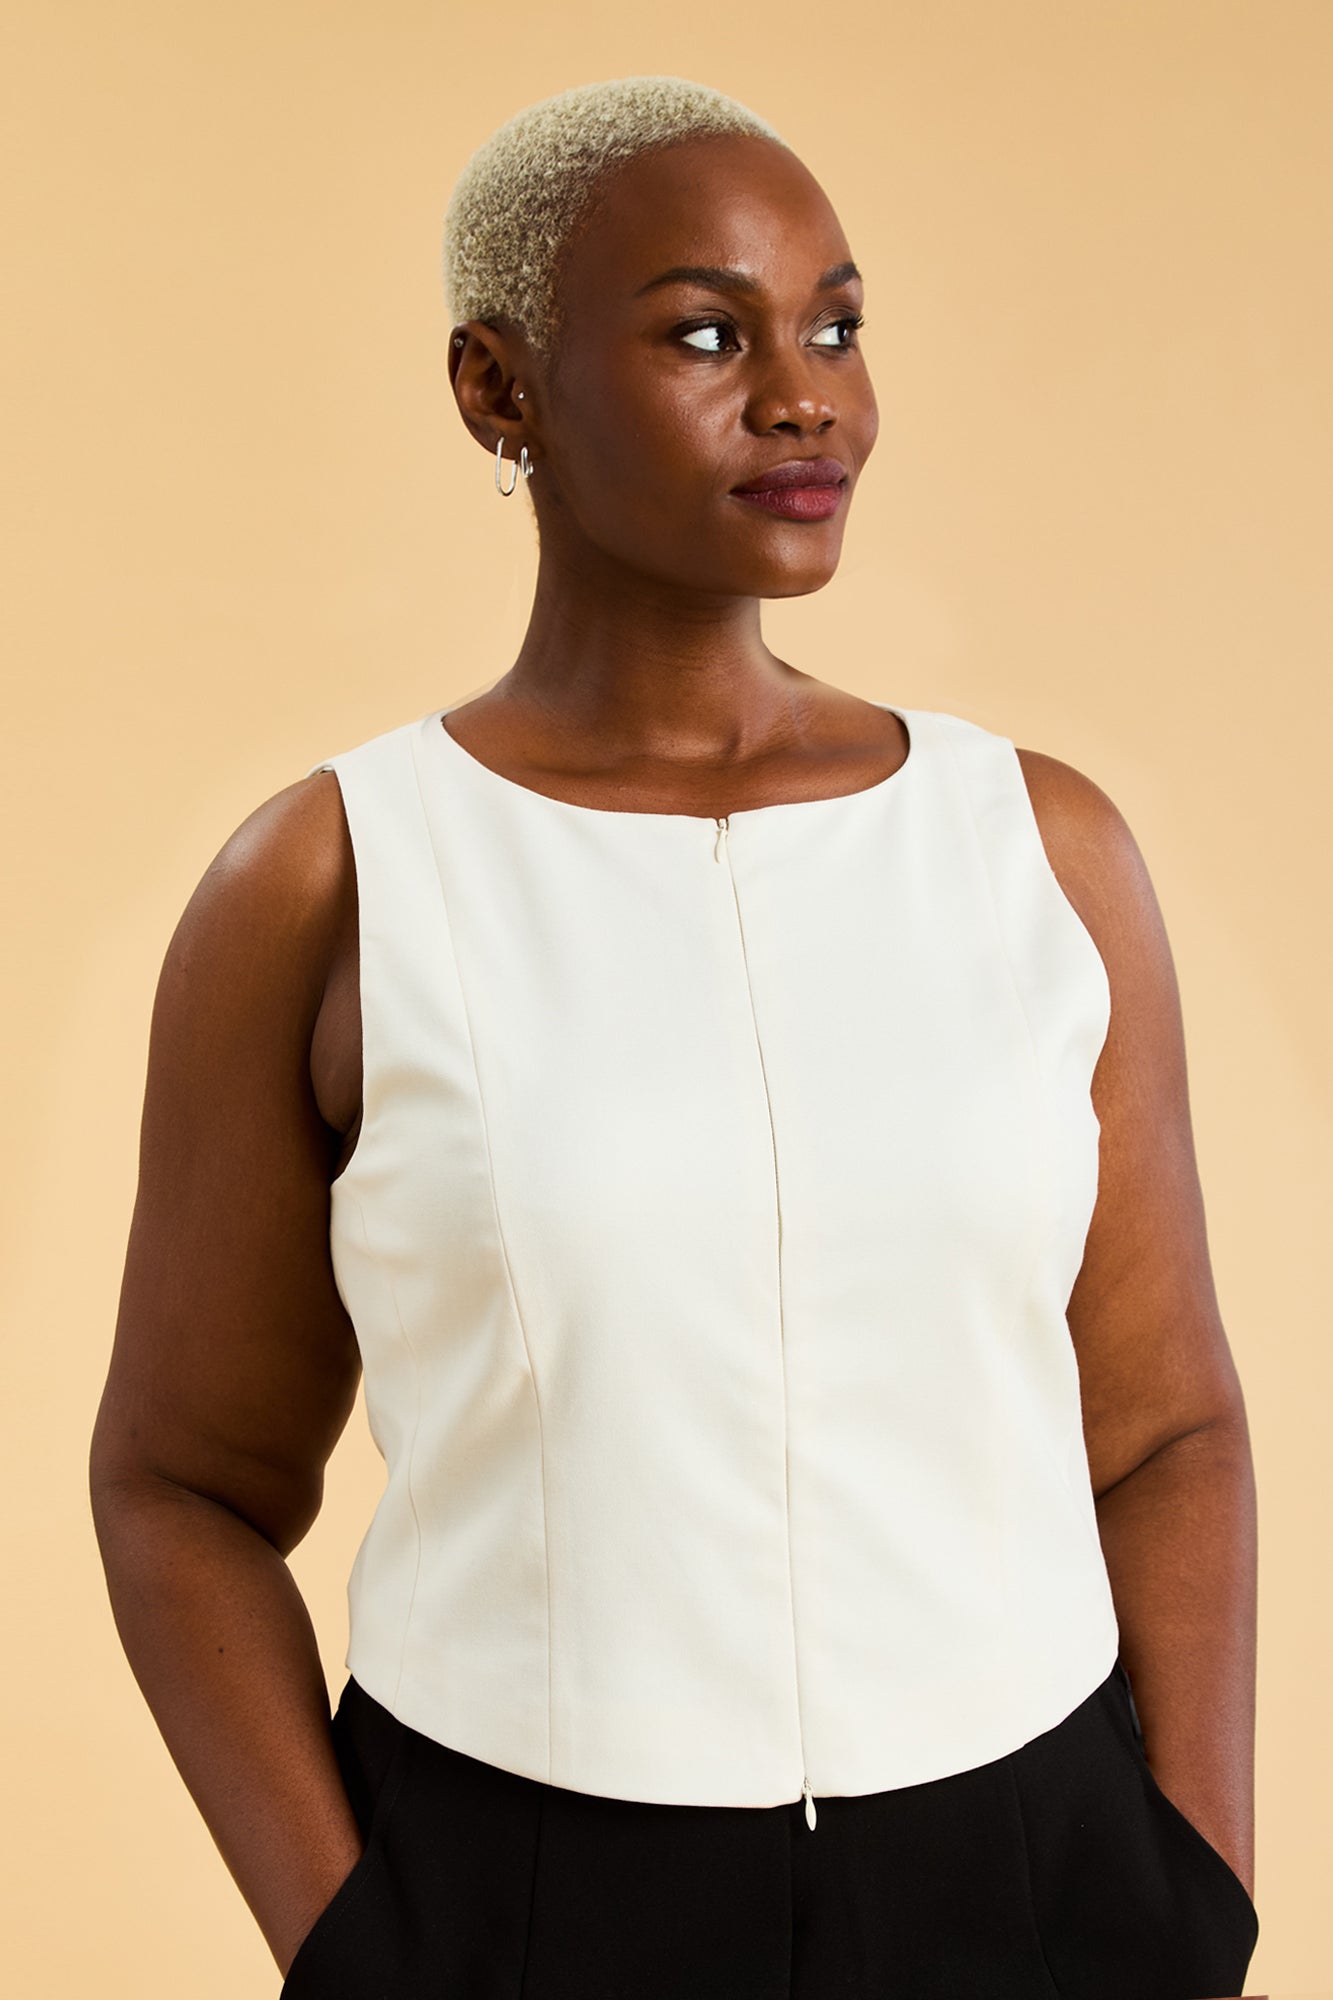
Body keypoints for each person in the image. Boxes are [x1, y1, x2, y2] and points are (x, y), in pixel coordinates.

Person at [89, 74, 1260, 2000]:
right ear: (498, 389)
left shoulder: (1031, 846)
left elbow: (1166, 1422)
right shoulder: (337, 879)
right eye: (709, 334)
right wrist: (360, 1946)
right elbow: (182, 1484)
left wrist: (1193, 1875)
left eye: (838, 325)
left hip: (1041, 1877)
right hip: (522, 1890)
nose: (805, 395)